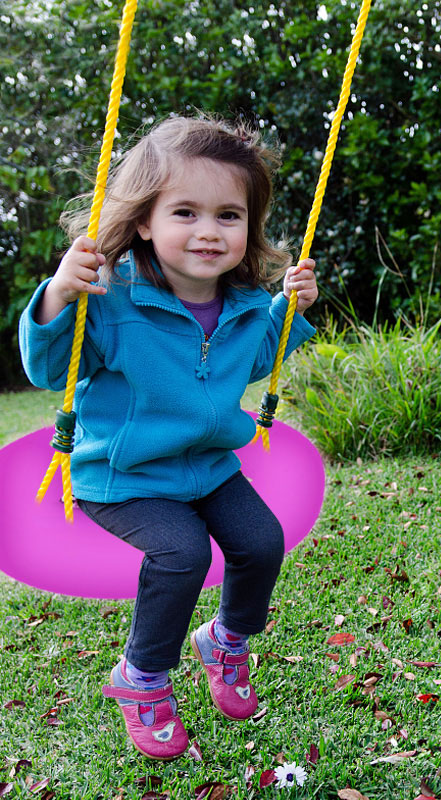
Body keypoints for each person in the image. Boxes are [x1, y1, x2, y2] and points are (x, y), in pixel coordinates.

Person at [18, 116, 319, 760]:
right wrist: (57, 299)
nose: (208, 231)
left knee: (261, 541)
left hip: (207, 467)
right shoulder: (108, 299)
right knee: (182, 553)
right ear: (146, 221)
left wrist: (288, 312)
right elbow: (46, 369)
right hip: (122, 477)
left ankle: (226, 641)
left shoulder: (240, 304)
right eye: (185, 211)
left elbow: (260, 355)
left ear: (249, 228)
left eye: (229, 215)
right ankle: (142, 678)